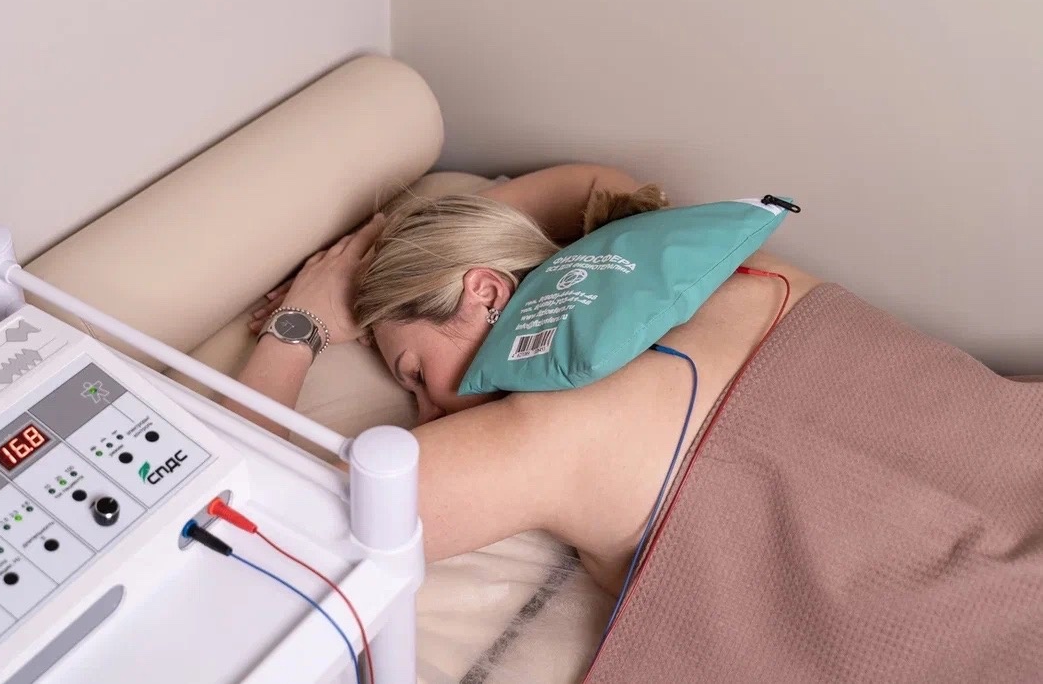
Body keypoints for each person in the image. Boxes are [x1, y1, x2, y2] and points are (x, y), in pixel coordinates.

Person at [224, 163, 822, 596]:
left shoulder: (536, 436)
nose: (424, 415)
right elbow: (596, 183)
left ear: (486, 292)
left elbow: (251, 519)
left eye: (417, 374)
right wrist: (415, 245)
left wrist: (297, 326)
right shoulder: (696, 264)